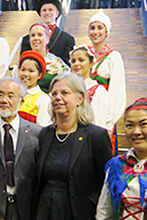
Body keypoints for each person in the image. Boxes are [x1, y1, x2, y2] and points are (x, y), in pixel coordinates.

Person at [36, 72, 112, 220]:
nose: (58, 98)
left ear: (80, 98)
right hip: (45, 212)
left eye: (65, 93)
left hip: (80, 214)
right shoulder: (45, 134)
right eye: (54, 94)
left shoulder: (96, 136)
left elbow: (105, 183)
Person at [0, 77, 42, 220]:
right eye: (0, 94)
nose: (4, 100)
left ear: (21, 101)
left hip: (28, 208)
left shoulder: (38, 133)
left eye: (11, 96)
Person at [96, 98, 147, 219]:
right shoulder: (116, 165)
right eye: (129, 125)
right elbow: (104, 210)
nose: (136, 131)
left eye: (144, 124)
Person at [88, 9, 126, 154]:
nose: (95, 32)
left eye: (100, 27)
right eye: (92, 27)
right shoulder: (86, 55)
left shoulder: (113, 57)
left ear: (106, 32)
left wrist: (109, 123)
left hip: (104, 117)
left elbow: (117, 91)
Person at [20, 0, 75, 66]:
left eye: (50, 10)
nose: (47, 13)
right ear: (40, 13)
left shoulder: (67, 39)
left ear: (57, 13)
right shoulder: (27, 39)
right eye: (44, 10)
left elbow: (67, 64)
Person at [70, 44, 111, 131]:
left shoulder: (98, 91)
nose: (76, 64)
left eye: (81, 60)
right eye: (73, 61)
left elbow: (98, 124)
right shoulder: (67, 88)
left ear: (91, 63)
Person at [28, 23, 70, 93]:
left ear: (47, 39)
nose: (36, 38)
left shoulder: (57, 62)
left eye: (40, 35)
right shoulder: (23, 62)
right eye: (33, 35)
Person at [17, 50, 52, 126]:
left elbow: (43, 128)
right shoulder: (13, 95)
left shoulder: (43, 99)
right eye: (23, 70)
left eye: (31, 71)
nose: (26, 74)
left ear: (39, 75)